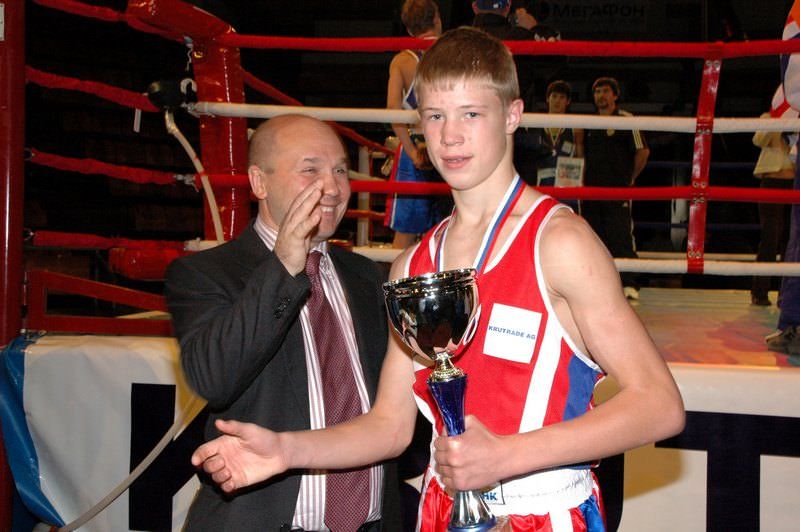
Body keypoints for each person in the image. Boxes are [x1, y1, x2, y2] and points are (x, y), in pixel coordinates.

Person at [190, 28, 685, 531]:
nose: (450, 136)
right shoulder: (414, 266)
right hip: (440, 510)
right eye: (434, 116)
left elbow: (659, 404)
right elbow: (389, 426)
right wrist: (284, 449)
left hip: (542, 513)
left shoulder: (558, 242)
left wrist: (507, 456)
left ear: (512, 115)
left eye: (471, 114)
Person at [165, 114, 400, 531]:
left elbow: (395, 409)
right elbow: (213, 378)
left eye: (340, 170)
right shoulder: (205, 274)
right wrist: (285, 265)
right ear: (259, 183)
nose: (332, 187)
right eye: (310, 169)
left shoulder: (366, 276)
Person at [384, 0, 448, 249]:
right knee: (452, 230)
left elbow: (393, 111)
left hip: (416, 145)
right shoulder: (453, 55)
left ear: (409, 29)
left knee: (405, 234)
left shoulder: (402, 61)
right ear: (437, 19)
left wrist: (411, 152)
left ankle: (395, 277)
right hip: (449, 144)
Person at [582, 76, 650, 300]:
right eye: (597, 92)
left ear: (615, 95)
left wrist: (629, 179)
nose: (600, 96)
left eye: (605, 91)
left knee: (620, 236)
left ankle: (629, 283)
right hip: (591, 191)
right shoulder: (588, 122)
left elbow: (643, 152)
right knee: (593, 239)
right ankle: (597, 286)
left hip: (617, 191)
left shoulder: (627, 120)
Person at [515, 80, 584, 210]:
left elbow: (580, 157)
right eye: (554, 96)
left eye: (562, 97)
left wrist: (580, 182)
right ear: (548, 99)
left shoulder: (575, 126)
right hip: (541, 182)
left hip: (567, 183)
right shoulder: (535, 123)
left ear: (568, 101)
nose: (557, 101)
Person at [750, 112, 795, 306]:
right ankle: (759, 292)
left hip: (795, 182)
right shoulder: (769, 116)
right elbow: (758, 140)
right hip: (772, 181)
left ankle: (787, 295)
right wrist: (777, 120)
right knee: (770, 237)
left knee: (792, 241)